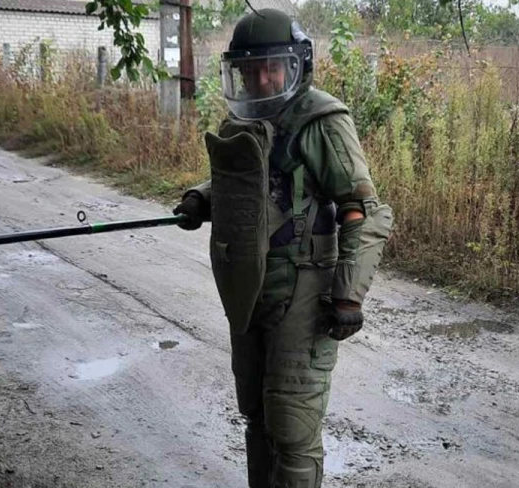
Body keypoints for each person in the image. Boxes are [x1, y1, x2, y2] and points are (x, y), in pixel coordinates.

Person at [171, 8, 393, 488]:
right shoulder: (242, 120)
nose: (260, 79)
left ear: (296, 66)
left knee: (292, 425)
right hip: (251, 289)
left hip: (303, 288)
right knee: (256, 415)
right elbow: (250, 182)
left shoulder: (321, 121)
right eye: (249, 71)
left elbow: (362, 209)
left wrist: (348, 295)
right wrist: (201, 198)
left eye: (271, 68)